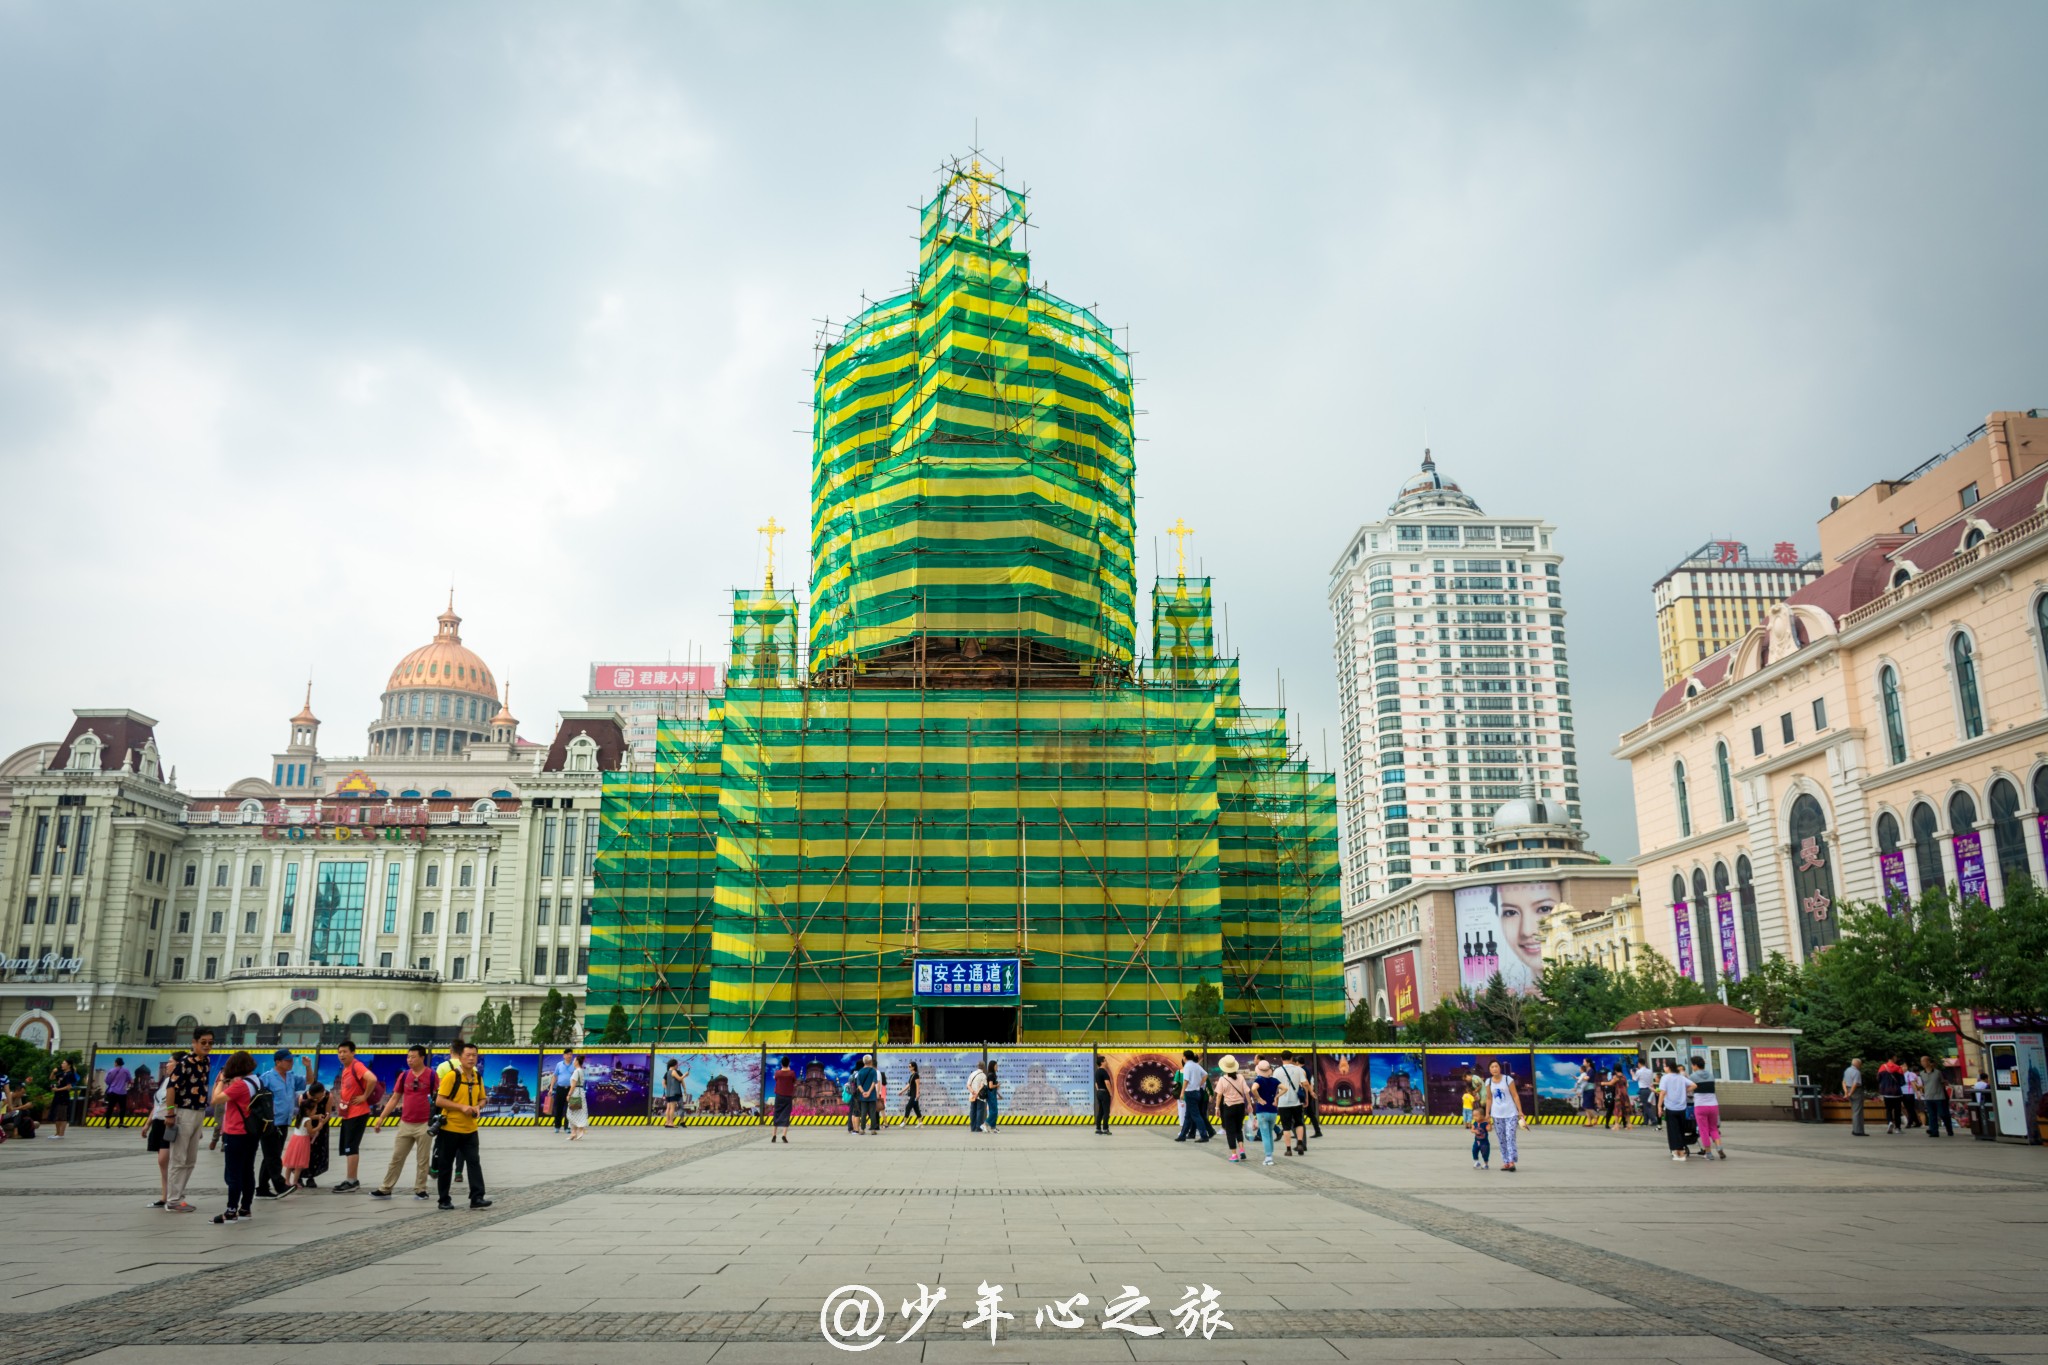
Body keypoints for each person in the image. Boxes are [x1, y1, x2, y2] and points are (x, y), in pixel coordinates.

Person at [161, 1024, 215, 1212]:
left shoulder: (206, 1062)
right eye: (203, 1042)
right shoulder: (185, 1063)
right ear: (194, 1043)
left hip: (199, 1112)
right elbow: (171, 1088)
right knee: (179, 1157)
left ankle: (179, 1196)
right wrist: (170, 1113)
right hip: (183, 1112)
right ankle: (173, 1200)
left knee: (191, 1159)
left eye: (210, 1043)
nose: (207, 1046)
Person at [371, 1046, 436, 1199]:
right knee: (397, 1157)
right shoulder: (404, 1076)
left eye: (413, 1057)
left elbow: (438, 1097)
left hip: (424, 1123)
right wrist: (381, 1118)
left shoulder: (432, 1076)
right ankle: (385, 1188)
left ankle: (420, 1189)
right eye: (408, 1057)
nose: (410, 1060)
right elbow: (394, 1098)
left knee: (422, 1159)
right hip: (406, 1123)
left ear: (422, 1058)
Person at [433, 1041, 490, 1210]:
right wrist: (462, 1107)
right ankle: (444, 1199)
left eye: (474, 1055)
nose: (472, 1059)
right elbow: (440, 1100)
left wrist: (478, 1107)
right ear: (460, 1057)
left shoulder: (477, 1076)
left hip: (470, 1129)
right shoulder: (452, 1076)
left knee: (474, 1162)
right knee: (446, 1164)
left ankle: (477, 1197)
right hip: (450, 1128)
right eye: (468, 1055)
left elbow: (483, 1098)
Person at [254, 1049, 312, 1199]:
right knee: (273, 1156)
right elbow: (258, 1100)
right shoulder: (267, 1078)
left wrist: (307, 1066)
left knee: (272, 1154)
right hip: (270, 1122)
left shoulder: (291, 1077)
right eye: (287, 1060)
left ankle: (262, 1189)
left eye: (292, 1060)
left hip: (284, 1122)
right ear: (278, 1062)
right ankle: (280, 1185)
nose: (291, 1063)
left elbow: (309, 1081)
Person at [212, 1050, 260, 1224]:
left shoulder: (240, 1085)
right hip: (252, 1133)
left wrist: (221, 1080)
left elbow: (215, 1100)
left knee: (234, 1173)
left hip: (236, 1132)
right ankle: (245, 1208)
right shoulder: (256, 1081)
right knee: (248, 1170)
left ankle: (231, 1210)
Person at [331, 1039, 379, 1192]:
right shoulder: (346, 1069)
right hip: (349, 1113)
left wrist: (364, 1096)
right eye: (339, 1052)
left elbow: (372, 1078)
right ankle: (350, 1178)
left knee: (351, 1146)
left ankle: (352, 1181)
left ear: (353, 1053)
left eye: (345, 1052)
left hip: (358, 1113)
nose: (342, 1055)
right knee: (348, 1147)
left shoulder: (356, 1065)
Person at [1486, 1060, 1524, 1172]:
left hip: (1511, 1113)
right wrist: (1487, 1113)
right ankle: (1506, 1162)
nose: (1494, 1068)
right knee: (1502, 1139)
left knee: (1510, 1136)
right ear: (1489, 1070)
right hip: (1496, 1114)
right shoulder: (1488, 1082)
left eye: (1496, 1066)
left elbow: (1515, 1095)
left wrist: (1520, 1110)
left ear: (1500, 1068)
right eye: (1492, 1067)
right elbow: (1489, 1098)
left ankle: (1512, 1161)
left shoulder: (1508, 1079)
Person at [145, 1068, 175, 1207]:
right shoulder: (165, 1082)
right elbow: (156, 1106)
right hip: (158, 1123)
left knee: (164, 1159)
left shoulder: (178, 1082)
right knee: (162, 1162)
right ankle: (164, 1196)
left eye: (171, 1062)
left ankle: (173, 1195)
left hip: (169, 1123)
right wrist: (147, 1124)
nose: (167, 1065)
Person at [1214, 1055, 1251, 1162]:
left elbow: (1219, 1095)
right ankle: (1242, 1149)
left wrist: (1217, 1108)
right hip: (1240, 1106)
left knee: (1230, 1131)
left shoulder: (1222, 1079)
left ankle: (1234, 1155)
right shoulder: (1241, 1077)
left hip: (1229, 1107)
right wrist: (1248, 1103)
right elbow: (1246, 1091)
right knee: (1238, 1129)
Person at [280, 1093, 321, 1191]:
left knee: (290, 1163)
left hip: (295, 1140)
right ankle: (295, 1182)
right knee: (299, 1165)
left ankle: (287, 1181)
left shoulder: (300, 1116)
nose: (315, 1111)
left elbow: (310, 1117)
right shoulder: (307, 1120)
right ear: (308, 1110)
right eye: (314, 1109)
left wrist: (317, 1116)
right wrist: (320, 1125)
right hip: (302, 1142)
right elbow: (311, 1131)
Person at [1689, 1056, 1725, 1160]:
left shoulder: (1693, 1076)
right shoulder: (1711, 1075)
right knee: (1713, 1128)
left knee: (1703, 1130)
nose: (1692, 1066)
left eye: (1692, 1065)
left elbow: (1689, 1090)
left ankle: (1708, 1153)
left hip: (1700, 1106)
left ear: (1695, 1065)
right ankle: (1719, 1147)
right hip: (1713, 1105)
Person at [1274, 1051, 1309, 1156]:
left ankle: (1288, 1149)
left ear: (1281, 1058)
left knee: (1286, 1127)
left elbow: (1275, 1087)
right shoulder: (1298, 1069)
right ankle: (1299, 1143)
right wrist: (1306, 1097)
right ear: (1292, 1058)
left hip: (1283, 1103)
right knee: (1299, 1123)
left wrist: (1276, 1099)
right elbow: (1305, 1083)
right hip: (1296, 1102)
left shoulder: (1277, 1071)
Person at [1660, 1059, 1695, 1161]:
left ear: (1668, 1067)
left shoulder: (1665, 1078)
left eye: (1664, 1066)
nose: (1664, 1068)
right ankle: (1682, 1152)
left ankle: (1676, 1152)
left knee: (1672, 1131)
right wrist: (1684, 1090)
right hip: (1682, 1108)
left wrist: (1659, 1106)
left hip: (1671, 1108)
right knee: (1680, 1130)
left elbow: (1662, 1092)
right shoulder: (1681, 1077)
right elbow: (1694, 1085)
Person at [1250, 1059, 1282, 1166]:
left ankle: (1268, 1157)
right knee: (1270, 1132)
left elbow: (1253, 1089)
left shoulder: (1259, 1080)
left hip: (1262, 1110)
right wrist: (1276, 1098)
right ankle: (1270, 1155)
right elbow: (1285, 1088)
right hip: (1273, 1110)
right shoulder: (1274, 1080)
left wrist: (1258, 1098)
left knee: (1265, 1134)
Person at [1177, 1051, 1212, 1143]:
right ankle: (1182, 1135)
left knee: (1196, 1115)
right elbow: (1205, 1075)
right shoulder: (1196, 1065)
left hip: (1190, 1092)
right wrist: (1199, 1084)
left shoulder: (1187, 1066)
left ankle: (1204, 1135)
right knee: (1188, 1116)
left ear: (1185, 1057)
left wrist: (1182, 1092)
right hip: (1196, 1092)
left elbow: (1186, 1080)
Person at [1919, 1056, 1955, 1138]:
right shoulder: (1922, 1074)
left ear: (1928, 1062)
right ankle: (1934, 1131)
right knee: (1932, 1115)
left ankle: (1949, 1129)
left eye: (1924, 1061)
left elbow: (1944, 1082)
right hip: (1928, 1097)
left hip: (1939, 1097)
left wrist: (1944, 1083)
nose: (1922, 1063)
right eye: (1921, 1061)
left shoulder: (1938, 1072)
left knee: (1943, 1114)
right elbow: (1923, 1085)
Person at [48, 1057, 78, 1139]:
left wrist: (57, 1089)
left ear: (69, 1065)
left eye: (64, 1063)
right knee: (57, 1114)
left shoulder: (69, 1074)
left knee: (62, 1115)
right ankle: (57, 1133)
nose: (62, 1065)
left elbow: (68, 1087)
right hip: (57, 1096)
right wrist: (53, 1072)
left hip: (63, 1096)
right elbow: (51, 1078)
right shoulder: (62, 1073)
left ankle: (61, 1134)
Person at [550, 1048, 576, 1136]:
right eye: (568, 1054)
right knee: (559, 1108)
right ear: (564, 1055)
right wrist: (551, 1088)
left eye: (571, 1054)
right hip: (560, 1089)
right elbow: (555, 1076)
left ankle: (567, 1127)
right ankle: (557, 1126)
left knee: (569, 1109)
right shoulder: (559, 1065)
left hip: (570, 1089)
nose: (569, 1056)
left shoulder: (574, 1065)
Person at [852, 1054, 879, 1136]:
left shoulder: (860, 1072)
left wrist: (863, 1092)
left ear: (864, 1062)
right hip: (872, 1095)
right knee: (872, 1113)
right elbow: (874, 1082)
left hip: (863, 1096)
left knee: (863, 1113)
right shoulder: (873, 1071)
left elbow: (858, 1084)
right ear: (870, 1061)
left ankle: (862, 1129)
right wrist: (869, 1092)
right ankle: (873, 1129)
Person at [1466, 1079, 1491, 1170]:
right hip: (1476, 1141)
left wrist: (1489, 1124)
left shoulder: (1484, 1123)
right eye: (1474, 1116)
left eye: (1476, 1116)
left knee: (1485, 1152)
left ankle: (1486, 1163)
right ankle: (1476, 1162)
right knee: (1474, 1151)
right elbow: (1472, 1130)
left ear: (1482, 1116)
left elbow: (1489, 1129)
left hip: (1485, 1142)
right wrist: (1474, 1130)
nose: (1475, 1118)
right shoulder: (1475, 1123)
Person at [1877, 1056, 1904, 1134]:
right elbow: (1902, 1082)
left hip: (1886, 1092)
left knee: (1888, 1109)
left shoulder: (1882, 1067)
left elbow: (1878, 1079)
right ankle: (1898, 1128)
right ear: (1894, 1058)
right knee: (1897, 1111)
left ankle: (1890, 1122)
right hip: (1897, 1093)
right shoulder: (1898, 1068)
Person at [770, 1057, 795, 1142]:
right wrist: (789, 1069)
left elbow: (776, 1078)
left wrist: (783, 1069)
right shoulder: (792, 1073)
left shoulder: (778, 1073)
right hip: (788, 1096)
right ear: (789, 1064)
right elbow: (793, 1081)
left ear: (781, 1064)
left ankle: (774, 1135)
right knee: (786, 1115)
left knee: (777, 1113)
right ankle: (784, 1135)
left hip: (779, 1096)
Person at [565, 1053, 590, 1140]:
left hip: (575, 1093)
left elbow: (573, 1085)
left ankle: (579, 1129)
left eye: (574, 1060)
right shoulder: (581, 1071)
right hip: (581, 1093)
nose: (573, 1061)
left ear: (577, 1062)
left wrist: (569, 1094)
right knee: (579, 1112)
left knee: (571, 1112)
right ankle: (574, 1133)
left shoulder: (576, 1071)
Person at [1633, 1057, 1659, 1129]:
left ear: (1639, 1064)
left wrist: (1632, 1073)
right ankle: (1645, 1121)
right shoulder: (1649, 1071)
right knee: (1647, 1105)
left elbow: (1634, 1079)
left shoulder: (1639, 1072)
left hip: (1643, 1090)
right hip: (1649, 1089)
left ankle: (1654, 1120)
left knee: (1646, 1106)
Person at [1843, 1058, 1866, 1137]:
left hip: (1849, 1089)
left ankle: (1856, 1129)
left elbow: (1843, 1082)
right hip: (1856, 1091)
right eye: (1860, 1064)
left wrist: (1846, 1092)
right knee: (1858, 1112)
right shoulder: (1857, 1072)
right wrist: (1850, 1093)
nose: (1861, 1065)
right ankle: (1858, 1131)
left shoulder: (1847, 1070)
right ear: (1857, 1064)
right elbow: (1855, 1084)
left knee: (1854, 1110)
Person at [662, 1059, 687, 1129]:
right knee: (672, 1108)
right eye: (677, 1064)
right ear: (674, 1064)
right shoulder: (673, 1071)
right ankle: (671, 1123)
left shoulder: (667, 1073)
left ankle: (667, 1122)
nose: (677, 1065)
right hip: (675, 1092)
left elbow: (663, 1083)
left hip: (669, 1093)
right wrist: (685, 1075)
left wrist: (668, 1088)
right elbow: (680, 1079)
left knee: (668, 1108)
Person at [966, 1061, 989, 1133]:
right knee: (979, 1111)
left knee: (972, 1111)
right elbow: (982, 1086)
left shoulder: (972, 1074)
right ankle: (978, 1127)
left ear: (977, 1066)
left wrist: (973, 1092)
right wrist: (977, 1094)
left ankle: (972, 1128)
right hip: (980, 1097)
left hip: (972, 1096)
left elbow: (968, 1085)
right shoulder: (983, 1075)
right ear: (984, 1067)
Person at [1092, 1055, 1113, 1135]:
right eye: (1105, 1061)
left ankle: (1098, 1128)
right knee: (1106, 1111)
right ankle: (1105, 1128)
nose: (1106, 1062)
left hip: (1099, 1092)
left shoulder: (1097, 1072)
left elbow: (1096, 1084)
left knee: (1100, 1111)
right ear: (1102, 1062)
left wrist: (1099, 1091)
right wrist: (1110, 1093)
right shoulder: (1104, 1071)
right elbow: (1107, 1083)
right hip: (1104, 1093)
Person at [1901, 1062, 1923, 1130]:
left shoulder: (1909, 1074)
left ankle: (1910, 1123)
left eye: (1905, 1066)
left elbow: (1913, 1084)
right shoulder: (1901, 1074)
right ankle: (1917, 1122)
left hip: (1909, 1093)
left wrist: (1917, 1093)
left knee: (1910, 1108)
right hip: (1903, 1093)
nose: (1904, 1068)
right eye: (1902, 1066)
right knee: (1908, 1108)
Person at [902, 1061, 923, 1127]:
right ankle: (920, 1123)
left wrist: (917, 1094)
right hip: (912, 1094)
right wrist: (902, 1091)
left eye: (910, 1066)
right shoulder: (912, 1075)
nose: (909, 1068)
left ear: (913, 1067)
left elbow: (918, 1085)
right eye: (908, 1066)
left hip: (914, 1095)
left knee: (908, 1107)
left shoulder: (916, 1075)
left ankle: (904, 1122)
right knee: (916, 1109)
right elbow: (908, 1085)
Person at [983, 1060, 1001, 1132]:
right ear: (992, 1066)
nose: (997, 1067)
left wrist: (999, 1094)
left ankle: (993, 1127)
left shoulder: (993, 1075)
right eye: (996, 1066)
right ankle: (985, 1124)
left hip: (993, 1094)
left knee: (993, 1111)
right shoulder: (990, 1075)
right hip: (991, 1095)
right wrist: (997, 1085)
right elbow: (990, 1086)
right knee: (994, 1111)